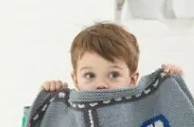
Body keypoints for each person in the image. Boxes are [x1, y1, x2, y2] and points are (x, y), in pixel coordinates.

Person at [40, 22, 183, 92]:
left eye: (114, 75)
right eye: (89, 75)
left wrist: (172, 84)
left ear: (132, 79)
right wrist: (47, 99)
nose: (101, 85)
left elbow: (173, 114)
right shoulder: (67, 110)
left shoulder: (140, 108)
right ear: (75, 79)